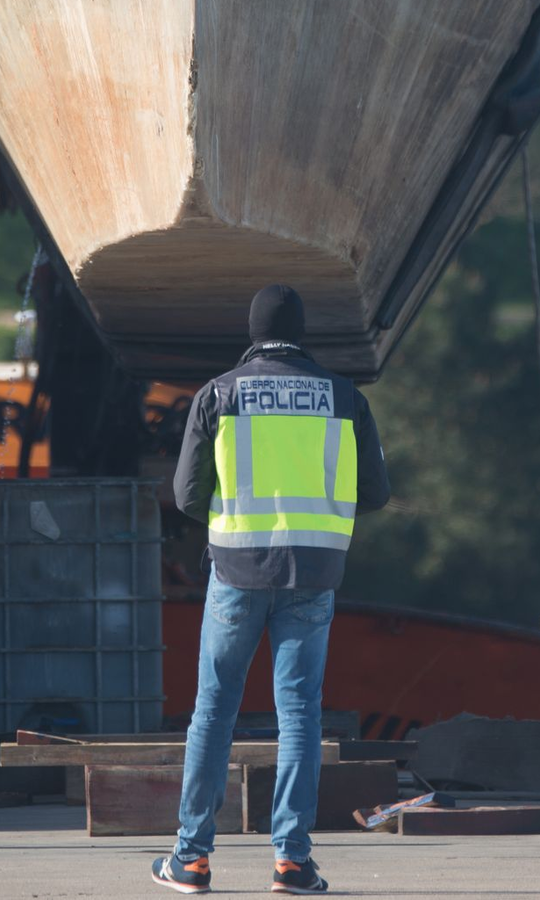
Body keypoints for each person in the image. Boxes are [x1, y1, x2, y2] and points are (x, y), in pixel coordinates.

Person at [153, 285, 390, 896]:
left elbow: (184, 496)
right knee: (300, 717)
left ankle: (192, 860)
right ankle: (291, 861)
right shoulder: (344, 397)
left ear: (253, 331)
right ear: (301, 333)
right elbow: (377, 493)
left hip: (235, 571)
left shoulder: (219, 394)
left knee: (213, 712)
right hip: (313, 575)